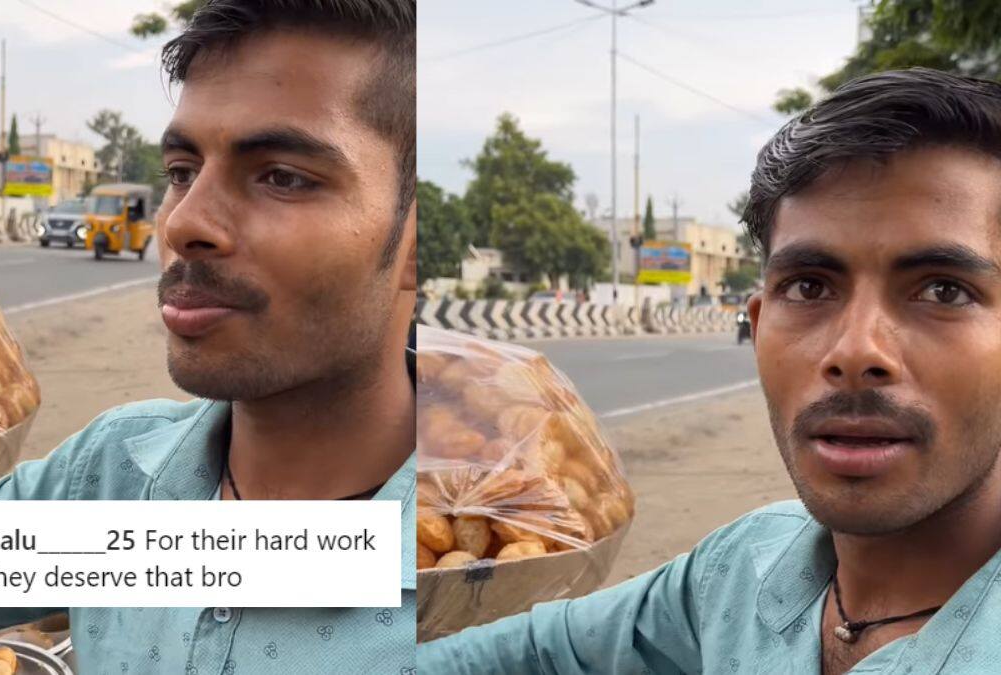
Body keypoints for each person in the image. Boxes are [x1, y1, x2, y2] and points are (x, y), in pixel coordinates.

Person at [0, 1, 416, 672]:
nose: (183, 221)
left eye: (283, 177)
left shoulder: (498, 585)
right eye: (182, 171)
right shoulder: (115, 475)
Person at [419, 68, 1001, 674]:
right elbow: (527, 655)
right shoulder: (746, 566)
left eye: (944, 291)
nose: (856, 351)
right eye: (809, 286)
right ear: (756, 325)